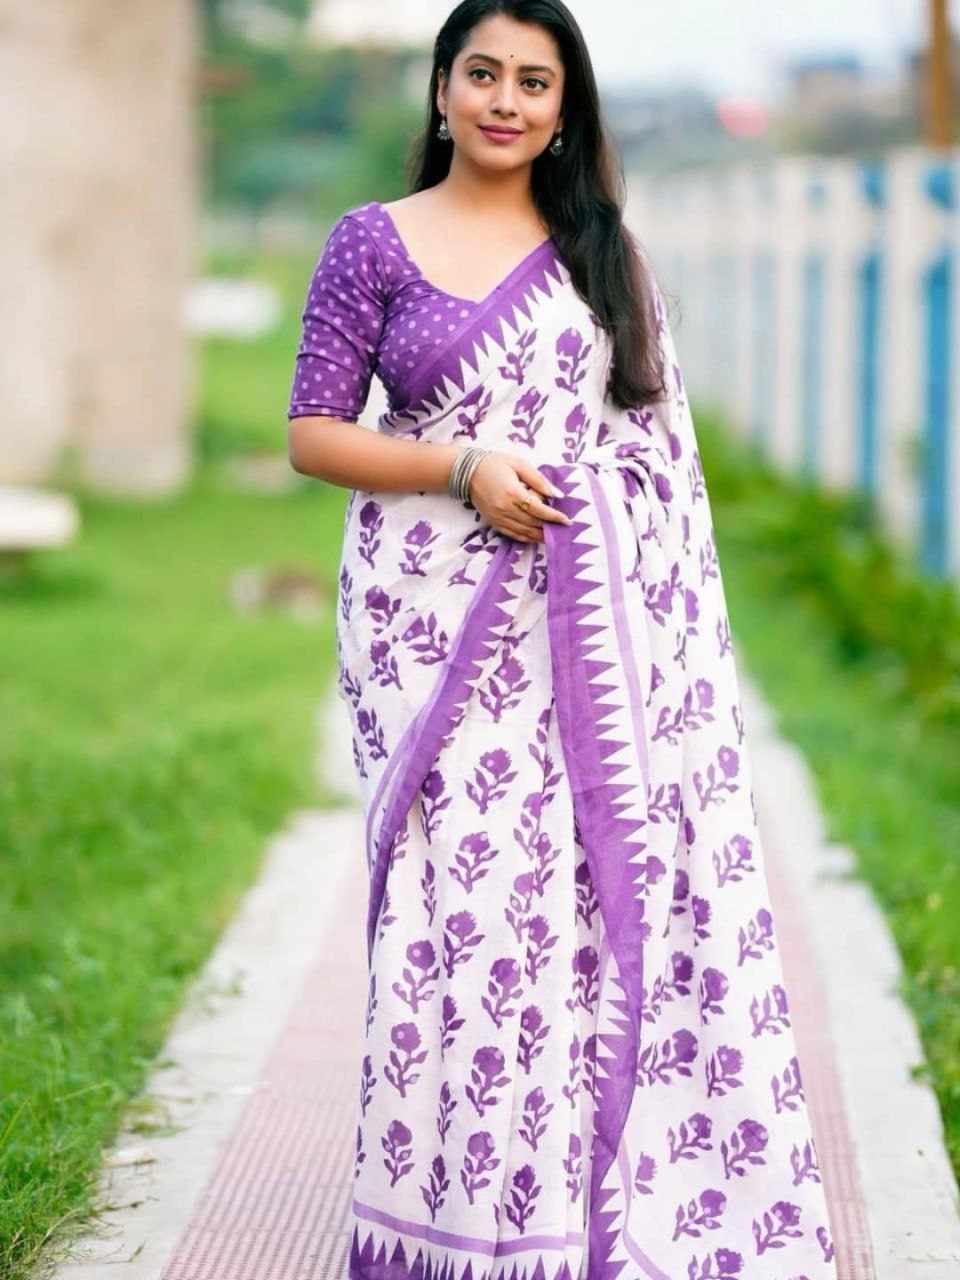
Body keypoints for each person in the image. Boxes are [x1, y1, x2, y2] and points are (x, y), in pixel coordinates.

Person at [287, 3, 840, 1277]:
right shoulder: (370, 242)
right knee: (465, 922)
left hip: (590, 647)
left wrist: (576, 510)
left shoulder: (603, 256)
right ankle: (461, 1220)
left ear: (563, 108)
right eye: (482, 73)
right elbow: (315, 433)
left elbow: (655, 464)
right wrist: (464, 464)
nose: (505, 100)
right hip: (432, 642)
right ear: (441, 88)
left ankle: (580, 1208)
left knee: (574, 924)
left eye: (534, 82)